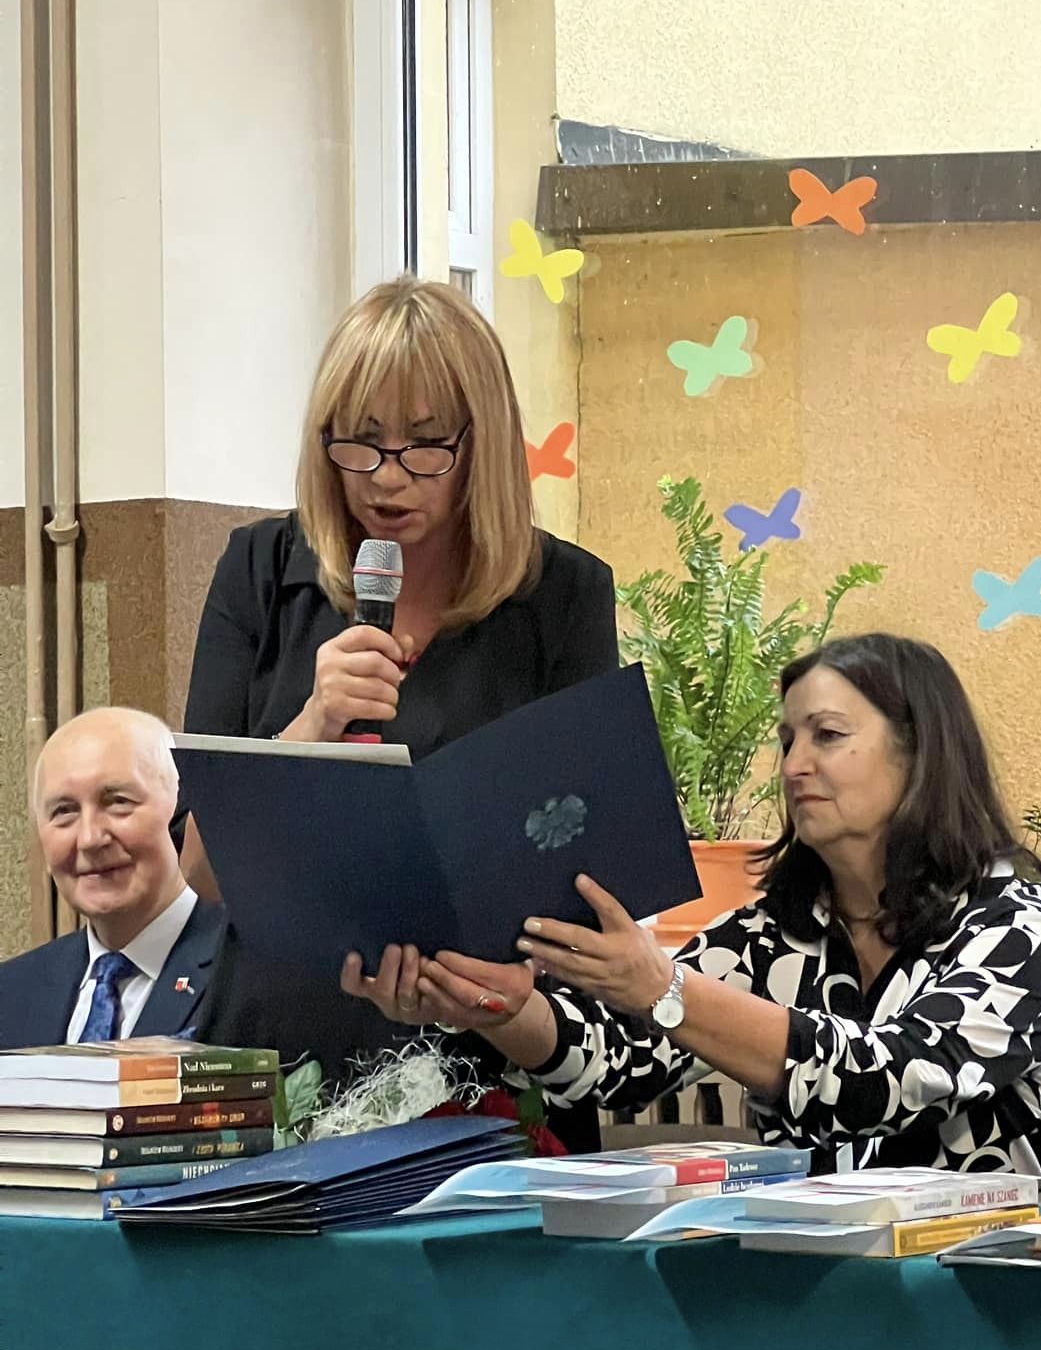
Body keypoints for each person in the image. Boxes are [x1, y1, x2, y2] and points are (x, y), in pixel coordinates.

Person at [344, 634, 1041, 1201]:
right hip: (822, 1300)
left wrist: (662, 988)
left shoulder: (1019, 929)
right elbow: (620, 1061)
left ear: (920, 753)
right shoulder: (776, 931)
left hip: (1004, 1301)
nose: (794, 766)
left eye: (828, 736)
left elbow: (883, 1080)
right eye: (787, 741)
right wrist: (504, 1007)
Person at [182, 276, 618, 1143]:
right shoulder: (260, 573)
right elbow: (199, 869)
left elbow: (586, 856)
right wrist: (313, 723)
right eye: (360, 443)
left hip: (483, 1038)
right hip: (282, 1039)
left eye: (424, 446)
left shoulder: (562, 594)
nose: (386, 477)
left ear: (481, 443)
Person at [0, 709, 223, 1050]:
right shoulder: (11, 994)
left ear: (177, 809)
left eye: (118, 802)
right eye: (64, 811)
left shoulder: (259, 977)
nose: (90, 838)